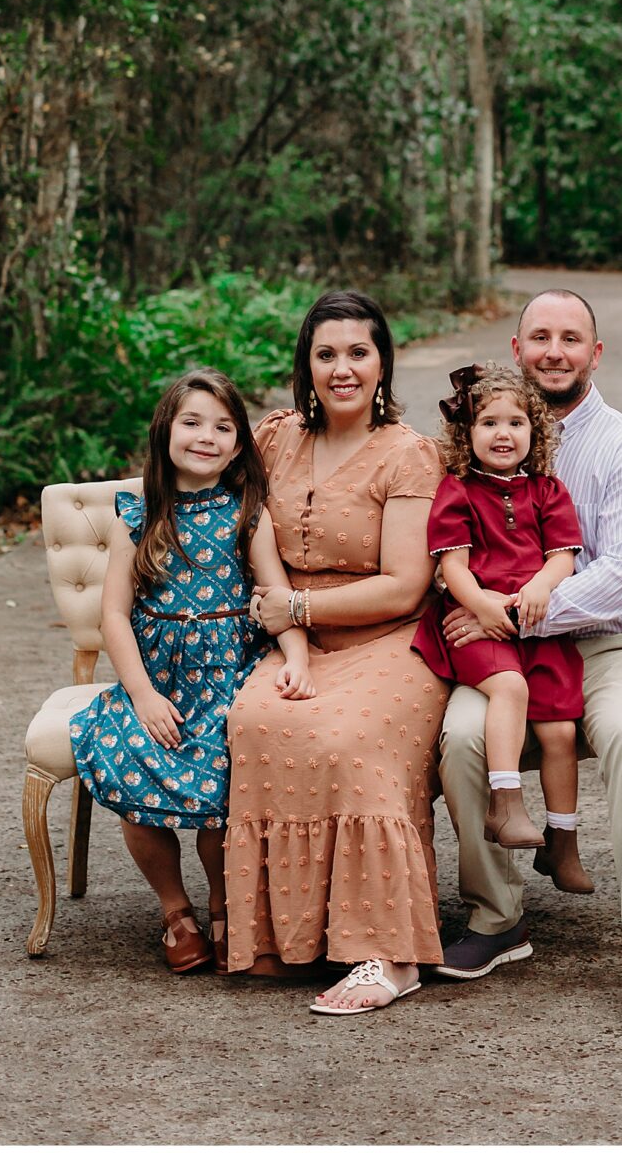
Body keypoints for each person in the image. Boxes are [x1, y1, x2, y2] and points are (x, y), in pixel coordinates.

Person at [436, 289, 622, 1036]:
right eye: (540, 336)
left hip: (606, 641)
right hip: (500, 646)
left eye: (571, 338)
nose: (555, 350)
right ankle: (499, 913)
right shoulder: (478, 436)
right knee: (458, 737)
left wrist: (506, 607)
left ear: (595, 353)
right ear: (516, 349)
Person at [224, 290, 448, 1015]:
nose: (342, 368)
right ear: (306, 365)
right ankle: (286, 940)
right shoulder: (275, 440)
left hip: (392, 642)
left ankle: (391, 954)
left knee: (348, 739)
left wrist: (299, 605)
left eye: (358, 352)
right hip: (295, 643)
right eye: (326, 354)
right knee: (257, 722)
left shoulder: (410, 455)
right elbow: (203, 492)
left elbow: (407, 586)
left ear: (383, 363)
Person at [69, 367, 314, 975]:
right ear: (166, 431)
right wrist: (144, 696)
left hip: (230, 671)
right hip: (158, 680)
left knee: (220, 775)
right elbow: (115, 617)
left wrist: (299, 658)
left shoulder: (248, 513)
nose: (207, 436)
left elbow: (277, 596)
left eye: (224, 426)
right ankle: (175, 910)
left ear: (238, 444)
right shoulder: (140, 514)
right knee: (129, 752)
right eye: (193, 422)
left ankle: (226, 902)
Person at [411, 362, 593, 892]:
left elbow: (563, 555)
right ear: (467, 434)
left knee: (560, 730)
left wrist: (540, 585)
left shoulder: (547, 490)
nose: (503, 433)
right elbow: (453, 566)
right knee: (509, 688)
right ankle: (505, 801)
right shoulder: (458, 490)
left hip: (535, 624)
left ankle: (563, 841)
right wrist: (482, 606)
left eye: (516, 423)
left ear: (533, 432)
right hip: (477, 625)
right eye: (488, 422)